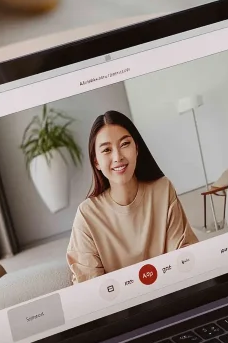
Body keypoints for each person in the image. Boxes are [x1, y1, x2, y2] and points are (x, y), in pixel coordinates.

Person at [67, 110, 197, 283]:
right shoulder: (87, 215)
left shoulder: (163, 190)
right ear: (96, 161)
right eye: (106, 150)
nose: (117, 157)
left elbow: (185, 255)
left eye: (125, 144)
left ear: (136, 148)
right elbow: (88, 287)